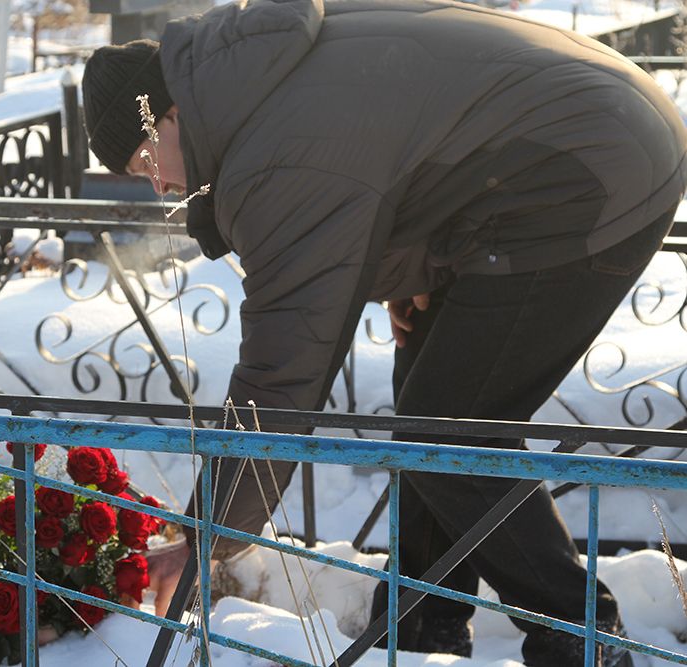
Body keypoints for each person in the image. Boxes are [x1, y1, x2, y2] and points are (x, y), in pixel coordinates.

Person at [80, 0, 687, 664]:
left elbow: (281, 372)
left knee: (448, 423)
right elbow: (397, 135)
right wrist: (416, 265)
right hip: (565, 141)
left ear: (170, 113)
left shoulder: (272, 156)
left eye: (145, 162)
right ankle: (426, 618)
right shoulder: (256, 77)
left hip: (588, 168)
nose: (162, 185)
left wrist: (205, 537)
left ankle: (582, 633)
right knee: (428, 393)